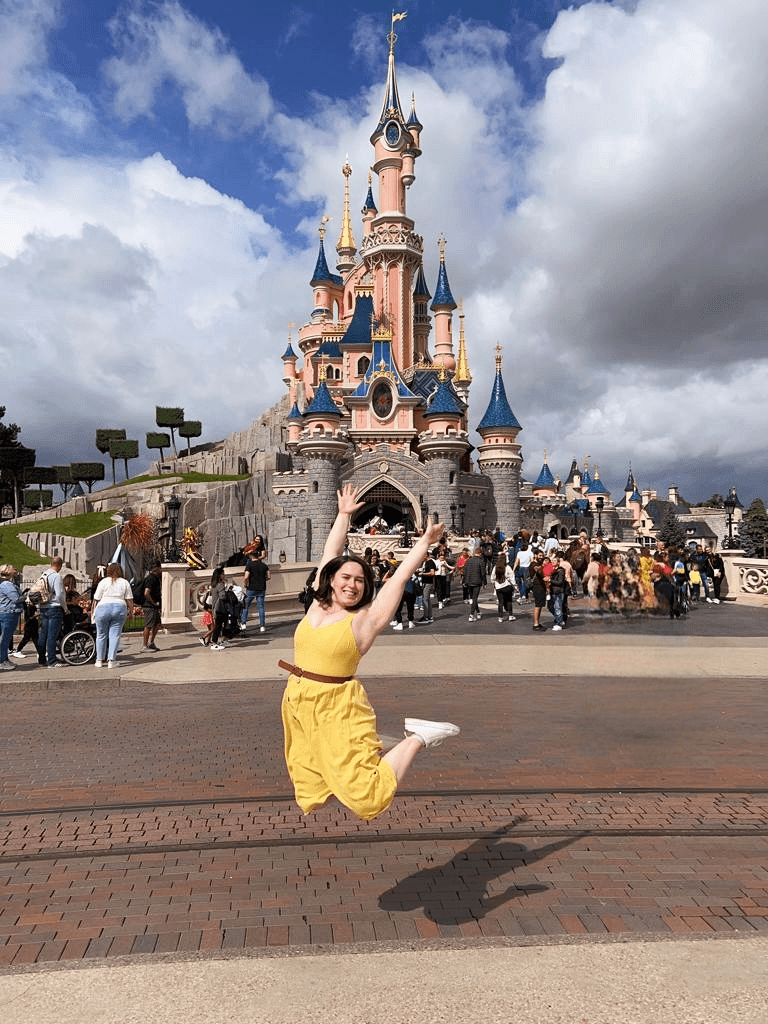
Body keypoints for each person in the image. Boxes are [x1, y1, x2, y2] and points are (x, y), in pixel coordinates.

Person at [279, 483, 460, 822]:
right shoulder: (318, 606)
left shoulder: (363, 621)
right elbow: (330, 555)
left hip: (336, 706)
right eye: (346, 578)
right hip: (298, 700)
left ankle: (418, 738)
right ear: (331, 581)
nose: (351, 584)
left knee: (366, 795)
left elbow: (397, 581)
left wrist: (423, 544)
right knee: (310, 782)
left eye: (360, 581)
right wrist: (344, 515)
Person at [91, 563, 133, 668]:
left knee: (101, 635)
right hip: (119, 607)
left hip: (103, 607)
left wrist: (93, 613)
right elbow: (129, 599)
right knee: (114, 635)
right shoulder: (124, 582)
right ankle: (111, 660)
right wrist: (131, 612)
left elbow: (96, 599)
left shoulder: (103, 582)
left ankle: (99, 660)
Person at [36, 556, 67, 668]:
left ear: (51, 563)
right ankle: (52, 661)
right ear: (59, 565)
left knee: (43, 634)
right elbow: (59, 595)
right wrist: (65, 607)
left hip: (44, 607)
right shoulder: (56, 576)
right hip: (54, 607)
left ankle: (41, 659)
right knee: (52, 635)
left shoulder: (43, 575)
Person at [0, 565, 24, 672]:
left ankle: (4, 659)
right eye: (11, 567)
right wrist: (27, 596)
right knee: (5, 638)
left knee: (6, 638)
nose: (14, 568)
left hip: (9, 612)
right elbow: (16, 599)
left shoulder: (8, 583)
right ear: (7, 572)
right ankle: (2, 661)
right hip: (8, 613)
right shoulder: (6, 584)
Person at [241, 550, 271, 633]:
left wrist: (245, 584)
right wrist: (262, 579)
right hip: (261, 588)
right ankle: (262, 626)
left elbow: (246, 577)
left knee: (245, 606)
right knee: (261, 607)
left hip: (251, 588)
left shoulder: (249, 565)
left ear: (251, 556)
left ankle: (243, 624)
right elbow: (269, 576)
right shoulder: (264, 565)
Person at [140, 563, 163, 652]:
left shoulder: (156, 578)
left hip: (154, 606)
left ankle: (151, 643)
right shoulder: (151, 579)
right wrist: (153, 602)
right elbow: (146, 593)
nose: (161, 570)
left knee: (157, 624)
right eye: (160, 568)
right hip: (149, 606)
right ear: (156, 568)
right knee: (148, 626)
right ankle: (144, 646)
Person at [462, 546, 486, 622]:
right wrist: (484, 583)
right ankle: (471, 615)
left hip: (469, 582)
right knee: (475, 598)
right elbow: (483, 573)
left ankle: (478, 612)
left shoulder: (468, 561)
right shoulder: (481, 561)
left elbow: (465, 572)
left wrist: (464, 581)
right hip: (477, 582)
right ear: (479, 553)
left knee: (473, 598)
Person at [492, 554, 516, 622]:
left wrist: (494, 584)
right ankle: (510, 615)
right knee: (509, 601)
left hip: (498, 586)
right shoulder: (507, 567)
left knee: (500, 602)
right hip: (507, 586)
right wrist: (514, 585)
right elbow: (512, 577)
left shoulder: (495, 567)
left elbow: (492, 577)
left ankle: (500, 617)